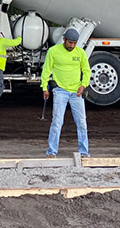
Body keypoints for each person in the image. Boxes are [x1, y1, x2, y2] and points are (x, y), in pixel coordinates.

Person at [41, 27, 91, 157]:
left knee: (81, 122)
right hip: (60, 91)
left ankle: (84, 152)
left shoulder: (80, 53)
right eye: (70, 43)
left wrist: (83, 85)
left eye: (74, 43)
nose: (72, 45)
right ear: (64, 39)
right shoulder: (53, 51)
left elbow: (86, 71)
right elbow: (46, 70)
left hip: (77, 92)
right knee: (57, 122)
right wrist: (44, 87)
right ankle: (52, 151)